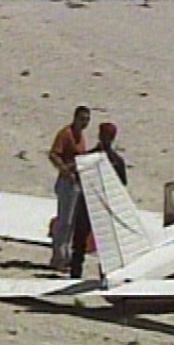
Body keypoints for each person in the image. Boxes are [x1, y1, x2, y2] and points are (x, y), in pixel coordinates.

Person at [70, 122, 127, 278]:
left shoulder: (115, 161)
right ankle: (75, 275)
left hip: (104, 208)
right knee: (80, 241)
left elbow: (121, 185)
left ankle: (105, 276)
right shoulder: (89, 158)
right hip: (87, 204)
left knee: (106, 246)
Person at [48, 105, 91, 271]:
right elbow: (53, 154)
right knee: (64, 221)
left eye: (87, 120)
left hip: (77, 183)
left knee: (72, 222)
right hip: (67, 182)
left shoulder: (81, 136)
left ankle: (64, 257)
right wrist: (64, 169)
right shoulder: (66, 134)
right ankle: (58, 258)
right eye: (82, 119)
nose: (84, 122)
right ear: (75, 118)